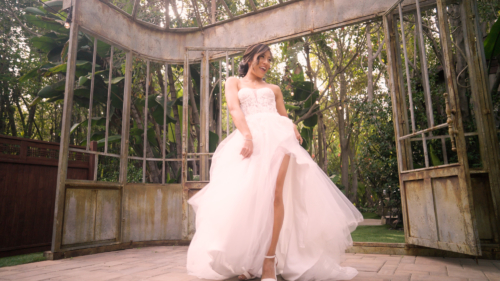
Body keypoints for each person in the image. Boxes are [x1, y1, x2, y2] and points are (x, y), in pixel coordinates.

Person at [186, 43, 363, 281]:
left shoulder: (275, 88)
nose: (266, 63)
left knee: (276, 195)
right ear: (249, 58)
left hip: (280, 140)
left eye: (269, 59)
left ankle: (269, 260)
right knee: (248, 199)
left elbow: (283, 117)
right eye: (262, 57)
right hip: (250, 140)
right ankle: (248, 259)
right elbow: (234, 109)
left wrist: (292, 127)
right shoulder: (233, 82)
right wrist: (247, 136)